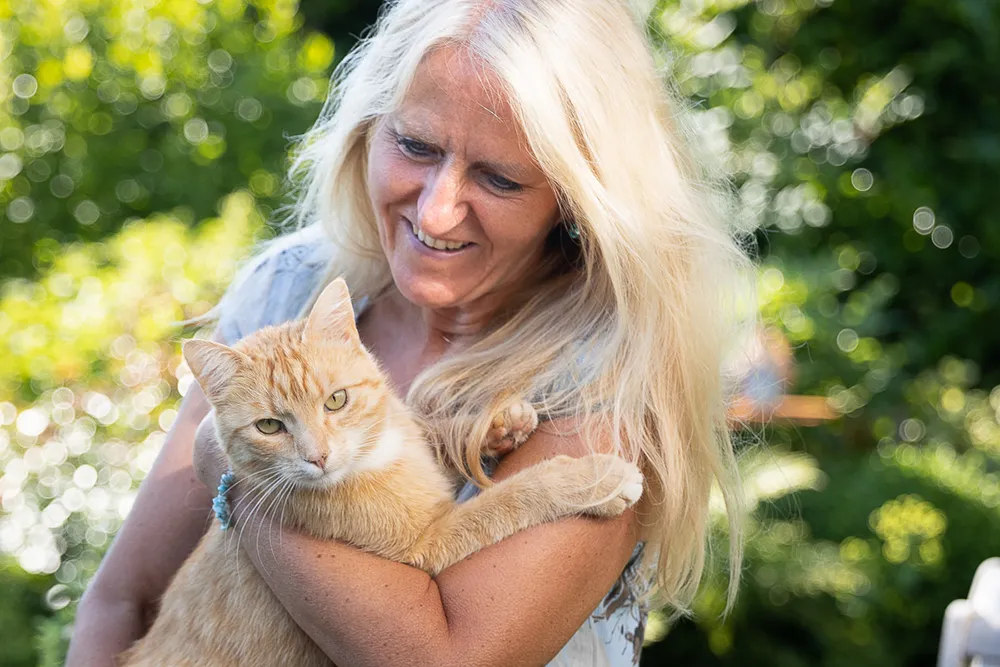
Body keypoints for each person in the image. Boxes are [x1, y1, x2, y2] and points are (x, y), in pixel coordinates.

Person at [67, 0, 755, 665]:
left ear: (575, 198)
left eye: (498, 177)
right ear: (369, 127)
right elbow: (120, 602)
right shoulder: (294, 284)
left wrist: (230, 468)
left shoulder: (606, 369)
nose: (437, 210)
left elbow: (438, 658)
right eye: (415, 144)